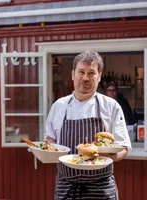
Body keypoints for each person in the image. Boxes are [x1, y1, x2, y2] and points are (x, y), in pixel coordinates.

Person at [44, 51, 131, 200]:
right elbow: (50, 141)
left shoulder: (110, 106)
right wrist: (47, 149)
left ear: (99, 76)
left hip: (101, 188)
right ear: (73, 74)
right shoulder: (59, 106)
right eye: (81, 72)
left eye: (91, 73)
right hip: (67, 187)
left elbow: (123, 147)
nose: (85, 78)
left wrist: (106, 154)